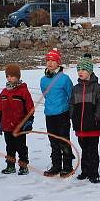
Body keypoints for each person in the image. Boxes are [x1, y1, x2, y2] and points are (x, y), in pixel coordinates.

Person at [70, 54, 100, 183]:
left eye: (84, 70)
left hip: (93, 125)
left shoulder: (97, 87)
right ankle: (85, 171)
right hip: (80, 126)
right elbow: (72, 104)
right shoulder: (76, 89)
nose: (80, 72)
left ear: (90, 71)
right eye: (79, 69)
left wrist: (97, 116)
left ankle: (94, 172)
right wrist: (73, 117)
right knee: (84, 148)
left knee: (92, 149)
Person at [40, 48, 74, 177]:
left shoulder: (64, 79)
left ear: (58, 63)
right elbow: (45, 94)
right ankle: (56, 165)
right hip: (49, 114)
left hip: (62, 113)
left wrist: (70, 112)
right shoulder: (43, 80)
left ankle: (67, 166)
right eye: (48, 60)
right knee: (53, 141)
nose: (50, 63)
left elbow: (70, 95)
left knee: (63, 140)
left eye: (53, 60)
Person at [0, 64, 35, 176]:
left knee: (21, 147)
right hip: (7, 125)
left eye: (12, 76)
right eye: (8, 76)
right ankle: (10, 165)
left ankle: (23, 166)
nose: (10, 78)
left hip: (19, 126)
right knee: (9, 146)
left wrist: (29, 122)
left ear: (18, 77)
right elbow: (0, 108)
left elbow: (30, 108)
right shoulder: (4, 92)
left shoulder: (23, 91)